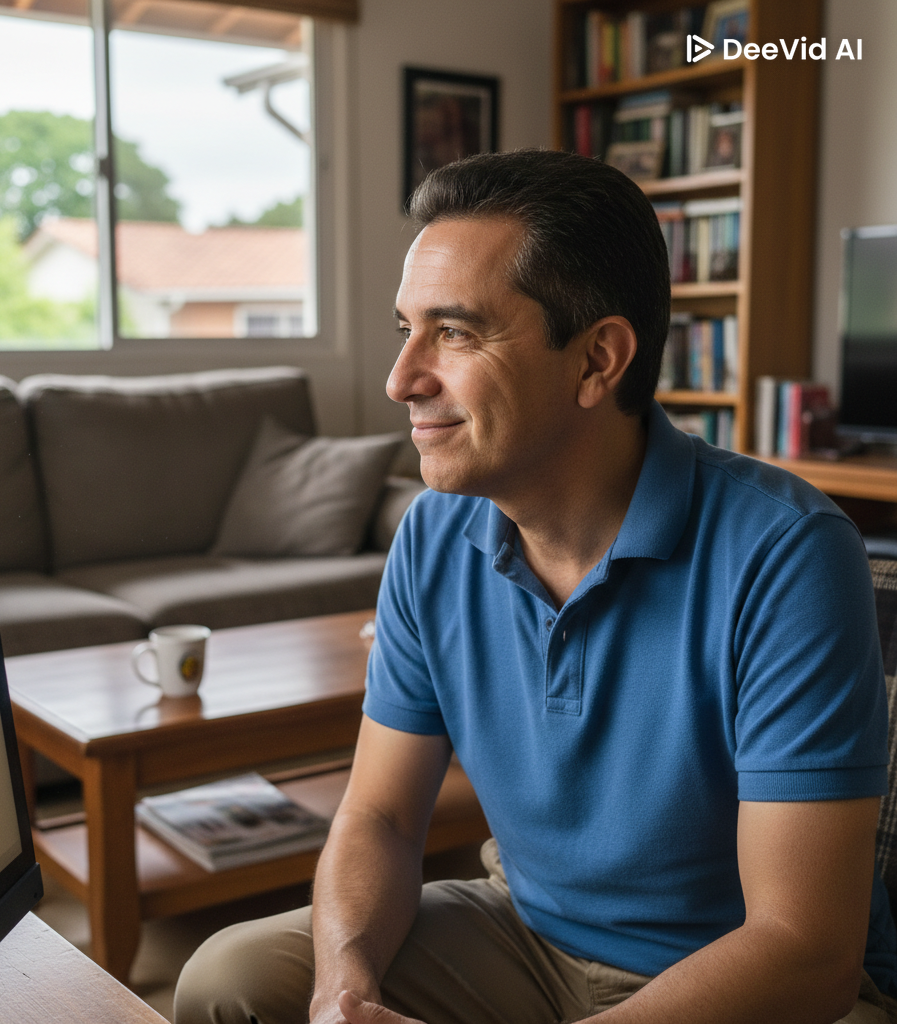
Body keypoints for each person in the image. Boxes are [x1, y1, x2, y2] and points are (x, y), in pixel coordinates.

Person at [174, 149, 896, 1024]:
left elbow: (804, 950)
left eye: (454, 333)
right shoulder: (432, 536)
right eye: (406, 329)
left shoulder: (788, 554)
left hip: (736, 981)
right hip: (525, 935)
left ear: (597, 360)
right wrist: (343, 995)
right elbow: (381, 820)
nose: (401, 380)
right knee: (230, 981)